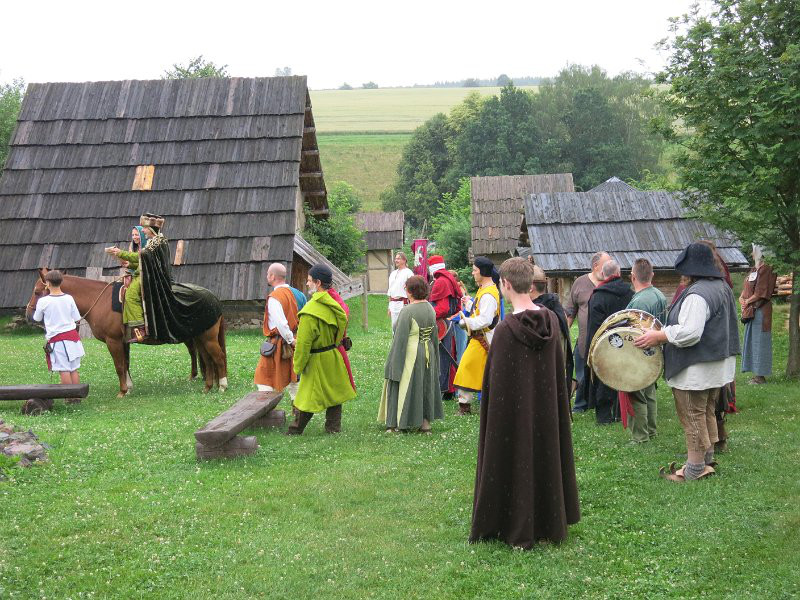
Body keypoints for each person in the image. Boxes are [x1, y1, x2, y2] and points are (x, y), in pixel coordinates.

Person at [470, 258, 580, 548]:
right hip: (546, 411)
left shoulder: (506, 330)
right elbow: (556, 371)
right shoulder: (552, 322)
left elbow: (494, 385)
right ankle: (548, 520)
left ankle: (510, 520)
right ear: (530, 284)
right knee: (545, 453)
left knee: (514, 455)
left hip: (513, 416)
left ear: (506, 284)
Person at [635, 243, 740, 482]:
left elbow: (691, 332)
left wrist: (659, 336)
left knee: (692, 414)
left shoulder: (698, 294)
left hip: (697, 367)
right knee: (705, 411)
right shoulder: (720, 286)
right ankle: (706, 458)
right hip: (715, 364)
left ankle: (694, 469)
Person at [288, 264, 356, 435]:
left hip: (317, 359)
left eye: (309, 280)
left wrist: (298, 365)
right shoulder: (336, 305)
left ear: (318, 283)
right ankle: (333, 428)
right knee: (334, 392)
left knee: (307, 395)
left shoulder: (309, 312)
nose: (307, 283)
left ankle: (295, 430)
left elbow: (303, 344)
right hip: (333, 355)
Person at [378, 275, 444, 432]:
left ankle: (396, 423)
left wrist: (393, 365)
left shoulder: (408, 311)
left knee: (404, 383)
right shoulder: (430, 308)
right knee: (424, 384)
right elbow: (434, 335)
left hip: (411, 352)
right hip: (428, 351)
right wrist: (435, 357)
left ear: (409, 291)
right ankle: (425, 423)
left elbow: (400, 339)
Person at [583, 259, 634, 424]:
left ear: (603, 274)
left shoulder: (598, 296)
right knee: (623, 375)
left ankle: (604, 416)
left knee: (604, 377)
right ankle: (621, 413)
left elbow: (594, 326)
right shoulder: (630, 293)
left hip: (605, 345)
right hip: (626, 344)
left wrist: (592, 350)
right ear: (618, 273)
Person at [625, 258, 668, 444]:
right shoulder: (659, 294)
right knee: (649, 392)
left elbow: (633, 334)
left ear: (633, 277)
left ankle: (640, 437)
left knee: (637, 394)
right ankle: (651, 430)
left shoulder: (640, 301)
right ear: (652, 275)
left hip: (640, 352)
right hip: (655, 351)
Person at [451, 257, 501, 415]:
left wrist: (466, 322)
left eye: (475, 270)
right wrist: (469, 304)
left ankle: (465, 406)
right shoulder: (485, 290)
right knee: (487, 371)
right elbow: (480, 310)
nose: (472, 273)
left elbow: (485, 319)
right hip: (480, 338)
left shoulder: (488, 294)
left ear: (483, 272)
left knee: (466, 367)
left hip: (484, 339)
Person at [564, 251, 610, 412]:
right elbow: (571, 311)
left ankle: (601, 404)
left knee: (605, 374)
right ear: (596, 266)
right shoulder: (580, 283)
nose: (608, 268)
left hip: (606, 342)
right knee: (582, 375)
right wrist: (564, 335)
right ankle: (580, 405)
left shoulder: (611, 283)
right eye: (605, 264)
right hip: (584, 341)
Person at [32, 270, 86, 393]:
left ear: (47, 283)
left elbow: (37, 318)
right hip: (73, 339)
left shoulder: (43, 301)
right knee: (73, 369)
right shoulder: (69, 298)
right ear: (61, 282)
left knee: (64, 369)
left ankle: (69, 397)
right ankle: (76, 397)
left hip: (58, 340)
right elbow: (77, 317)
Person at [254, 263, 299, 402]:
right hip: (290, 340)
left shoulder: (275, 297)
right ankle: (299, 410)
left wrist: (291, 340)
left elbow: (281, 323)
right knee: (293, 379)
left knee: (263, 378)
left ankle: (266, 410)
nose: (267, 276)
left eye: (268, 273)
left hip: (280, 343)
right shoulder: (291, 293)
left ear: (273, 276)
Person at [529, 265, 574, 397]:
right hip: (555, 373)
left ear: (530, 287)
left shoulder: (539, 314)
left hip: (546, 376)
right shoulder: (555, 306)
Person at [106, 224, 153, 342]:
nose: (134, 237)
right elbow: (139, 263)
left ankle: (141, 328)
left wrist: (120, 253)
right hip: (139, 273)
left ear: (142, 235)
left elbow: (140, 257)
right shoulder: (137, 246)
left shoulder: (148, 246)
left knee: (131, 295)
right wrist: (129, 265)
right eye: (133, 235)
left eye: (137, 234)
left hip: (146, 275)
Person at [740, 245, 777, 385]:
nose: (751, 254)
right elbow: (746, 288)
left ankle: (760, 377)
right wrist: (742, 299)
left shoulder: (766, 269)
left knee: (760, 341)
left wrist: (747, 302)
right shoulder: (755, 269)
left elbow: (762, 292)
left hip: (761, 311)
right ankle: (755, 374)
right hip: (751, 310)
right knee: (752, 341)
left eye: (754, 251)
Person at [427, 255, 461, 399]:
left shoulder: (441, 281)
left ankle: (443, 391)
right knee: (447, 356)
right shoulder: (448, 279)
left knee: (442, 358)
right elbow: (456, 306)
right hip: (446, 323)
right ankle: (449, 390)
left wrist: (426, 314)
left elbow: (443, 308)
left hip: (441, 324)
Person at [387, 251, 414, 331]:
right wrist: (389, 306)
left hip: (403, 303)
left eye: (398, 258)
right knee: (394, 327)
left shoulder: (409, 273)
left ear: (404, 260)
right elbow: (390, 290)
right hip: (393, 304)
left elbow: (412, 290)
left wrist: (411, 304)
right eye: (396, 259)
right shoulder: (393, 273)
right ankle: (395, 339)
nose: (396, 260)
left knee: (403, 326)